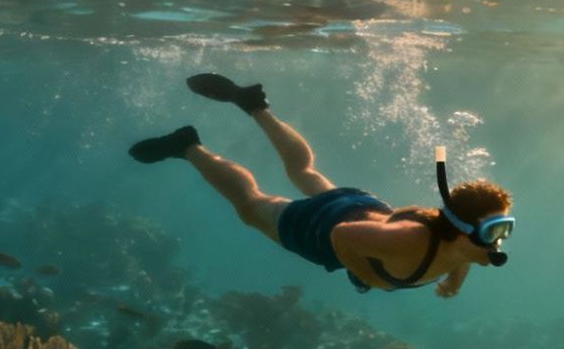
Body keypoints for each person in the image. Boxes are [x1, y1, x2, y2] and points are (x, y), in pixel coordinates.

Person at [129, 74, 513, 297]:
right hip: (322, 229)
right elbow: (344, 237)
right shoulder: (411, 240)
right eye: (494, 231)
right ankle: (187, 145)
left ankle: (255, 105)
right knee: (251, 206)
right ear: (462, 228)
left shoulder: (466, 246)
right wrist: (369, 276)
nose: (499, 242)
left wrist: (452, 281)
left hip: (360, 204)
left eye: (503, 230)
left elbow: (463, 256)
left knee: (306, 173)